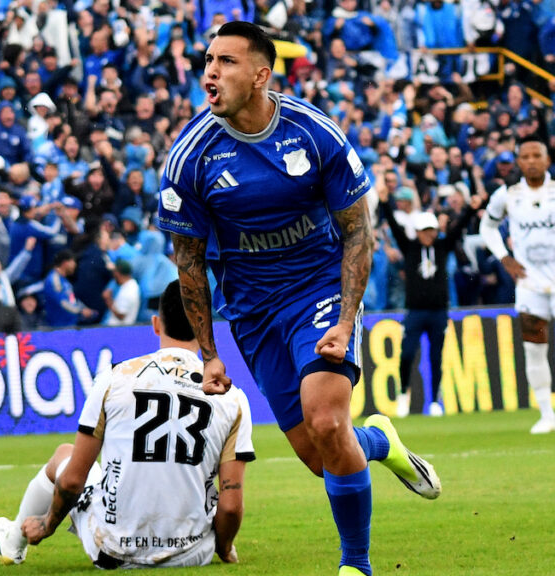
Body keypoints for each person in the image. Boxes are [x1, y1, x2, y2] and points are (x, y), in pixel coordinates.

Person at [155, 22, 440, 576]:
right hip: (253, 312)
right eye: (208, 60)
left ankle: (355, 565)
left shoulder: (314, 134)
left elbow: (359, 231)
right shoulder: (189, 158)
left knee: (328, 424)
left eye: (227, 62)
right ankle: (380, 440)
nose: (210, 72)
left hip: (318, 291)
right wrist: (209, 354)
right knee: (318, 455)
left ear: (261, 74)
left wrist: (347, 316)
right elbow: (188, 263)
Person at [0, 280, 254, 568]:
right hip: (192, 555)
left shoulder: (115, 378)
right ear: (206, 329)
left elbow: (74, 479)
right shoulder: (231, 398)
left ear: (155, 324)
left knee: (65, 454)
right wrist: (223, 548)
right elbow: (229, 506)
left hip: (113, 549)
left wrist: (47, 523)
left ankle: (13, 541)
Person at [380, 190, 483, 417]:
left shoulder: (442, 248)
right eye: (425, 230)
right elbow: (394, 228)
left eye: (432, 230)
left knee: (436, 356)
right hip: (415, 311)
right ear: (417, 232)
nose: (429, 234)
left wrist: (472, 209)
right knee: (406, 354)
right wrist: (385, 202)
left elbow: (458, 229)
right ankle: (403, 394)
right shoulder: (409, 248)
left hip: (438, 312)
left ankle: (435, 400)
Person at [480, 139, 555, 434]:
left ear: (547, 160)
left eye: (537, 155)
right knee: (533, 348)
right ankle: (547, 414)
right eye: (526, 156)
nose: (532, 161)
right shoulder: (508, 195)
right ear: (519, 162)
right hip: (529, 283)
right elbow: (486, 227)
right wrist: (504, 258)